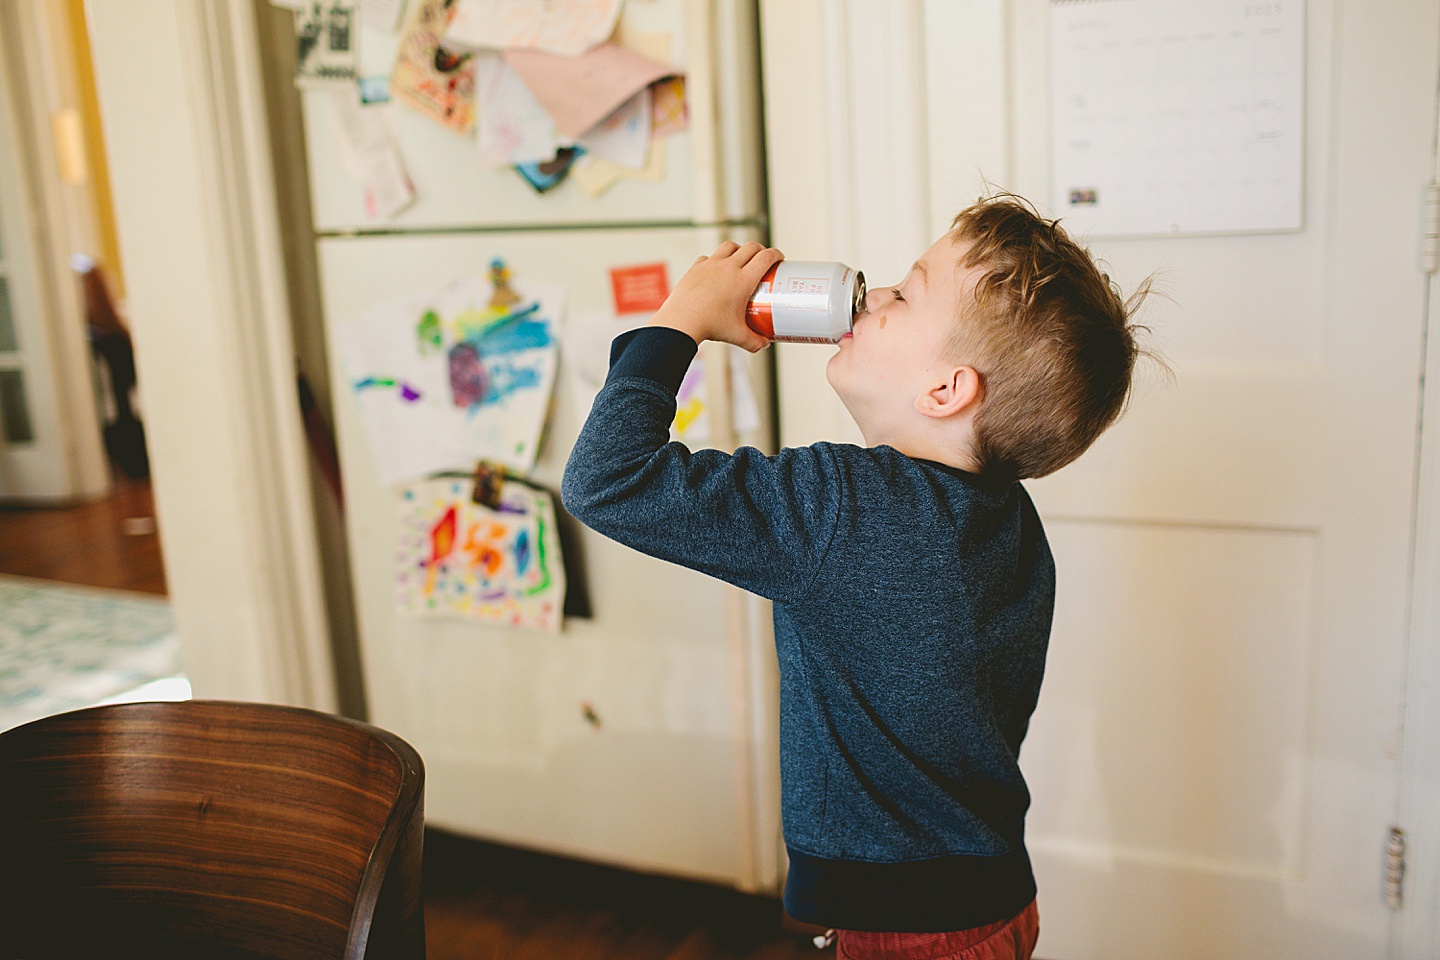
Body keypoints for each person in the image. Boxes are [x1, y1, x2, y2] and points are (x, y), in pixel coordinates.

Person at [561, 194, 1153, 960]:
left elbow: (607, 478)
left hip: (905, 930)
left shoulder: (840, 507)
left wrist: (680, 319)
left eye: (904, 294)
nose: (869, 297)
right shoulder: (1011, 524)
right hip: (997, 898)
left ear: (947, 390)